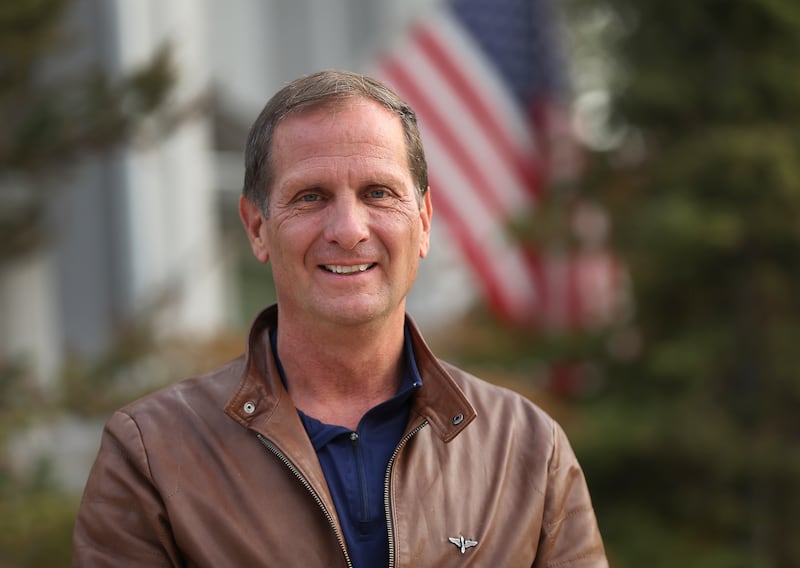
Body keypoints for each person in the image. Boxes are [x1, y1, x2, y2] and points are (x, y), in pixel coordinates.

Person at [73, 69, 608, 567]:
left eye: (378, 193)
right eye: (311, 197)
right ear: (257, 226)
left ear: (422, 222)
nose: (349, 229)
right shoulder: (151, 454)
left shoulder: (529, 449)